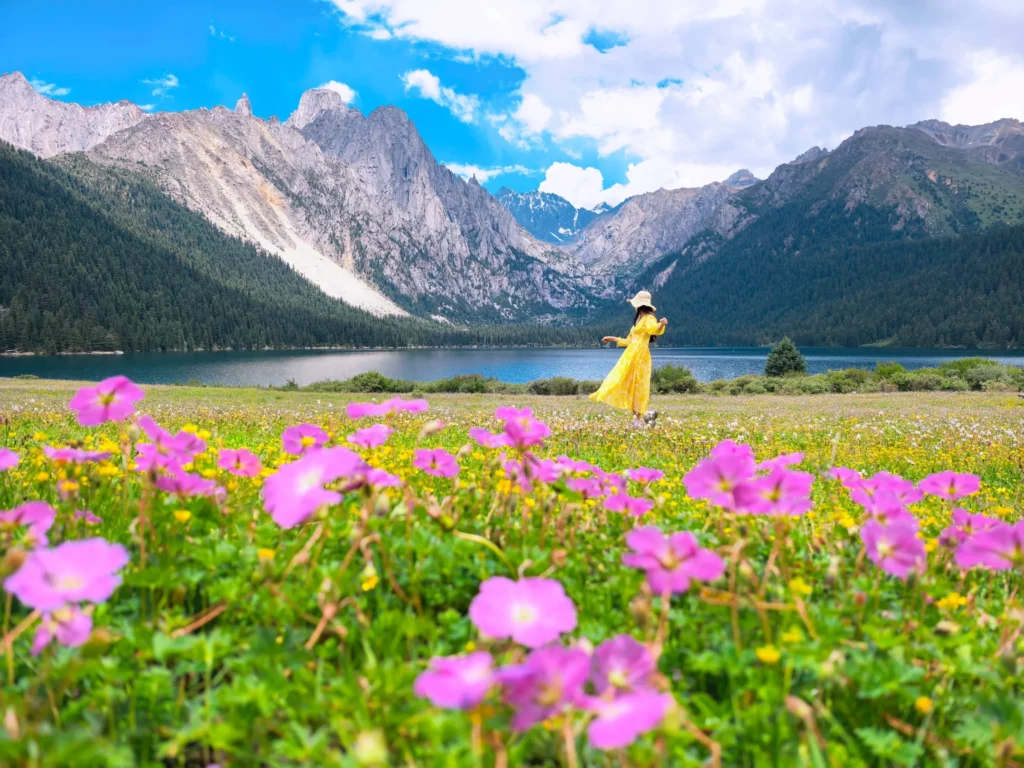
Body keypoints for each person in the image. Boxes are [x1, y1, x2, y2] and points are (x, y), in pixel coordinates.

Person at [589, 290, 668, 425]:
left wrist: (661, 324)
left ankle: (639, 418)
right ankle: (646, 415)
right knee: (626, 382)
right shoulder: (638, 319)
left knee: (638, 386)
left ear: (640, 304)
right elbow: (628, 341)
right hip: (631, 355)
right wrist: (612, 338)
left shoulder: (649, 318)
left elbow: (652, 329)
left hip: (641, 356)